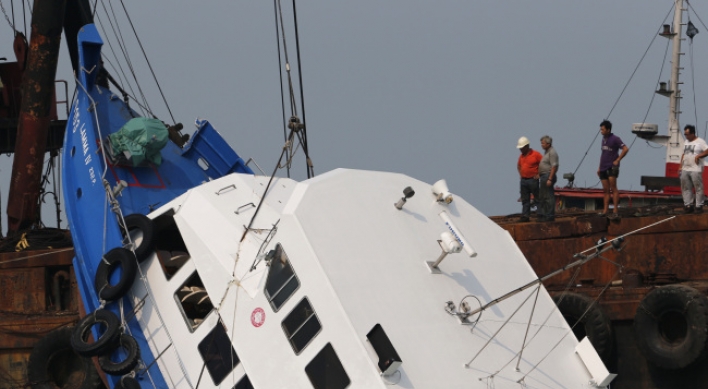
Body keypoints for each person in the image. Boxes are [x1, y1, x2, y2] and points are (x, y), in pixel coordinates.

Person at [597, 120, 629, 219]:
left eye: (602, 129)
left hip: (612, 167)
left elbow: (625, 148)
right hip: (603, 167)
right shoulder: (603, 139)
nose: (601, 131)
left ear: (608, 129)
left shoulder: (615, 139)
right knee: (605, 190)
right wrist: (599, 167)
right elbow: (603, 154)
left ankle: (615, 209)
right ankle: (605, 210)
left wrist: (618, 159)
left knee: (613, 188)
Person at [678, 124, 708, 213]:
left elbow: (707, 150)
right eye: (685, 134)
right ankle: (688, 205)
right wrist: (680, 166)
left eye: (687, 134)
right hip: (685, 168)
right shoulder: (686, 142)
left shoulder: (700, 142)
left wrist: (699, 156)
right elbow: (684, 154)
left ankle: (699, 206)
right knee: (685, 187)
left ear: (692, 133)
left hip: (696, 168)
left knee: (698, 187)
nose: (686, 136)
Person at [517, 136, 542, 222]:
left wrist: (539, 174)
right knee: (525, 199)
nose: (520, 150)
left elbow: (544, 164)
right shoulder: (521, 156)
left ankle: (541, 214)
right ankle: (525, 216)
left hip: (533, 180)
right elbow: (519, 166)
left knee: (537, 198)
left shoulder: (536, 155)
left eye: (522, 148)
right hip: (524, 180)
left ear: (527, 146)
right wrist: (521, 175)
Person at [538, 135, 559, 221]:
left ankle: (549, 216)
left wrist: (550, 178)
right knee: (543, 196)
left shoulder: (552, 152)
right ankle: (544, 214)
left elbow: (554, 166)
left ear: (548, 143)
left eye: (543, 143)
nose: (541, 145)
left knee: (548, 196)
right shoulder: (547, 152)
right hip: (544, 176)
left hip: (548, 176)